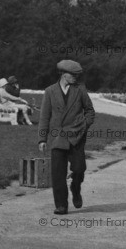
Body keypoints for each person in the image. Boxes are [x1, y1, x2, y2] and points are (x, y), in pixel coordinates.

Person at [38, 60, 95, 215]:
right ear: (64, 74)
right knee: (58, 174)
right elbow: (44, 117)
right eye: (73, 75)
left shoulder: (80, 90)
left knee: (79, 169)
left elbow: (90, 111)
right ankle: (61, 205)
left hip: (76, 137)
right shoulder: (50, 91)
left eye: (78, 75)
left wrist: (84, 126)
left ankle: (75, 189)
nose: (76, 77)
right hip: (57, 138)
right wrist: (42, 139)